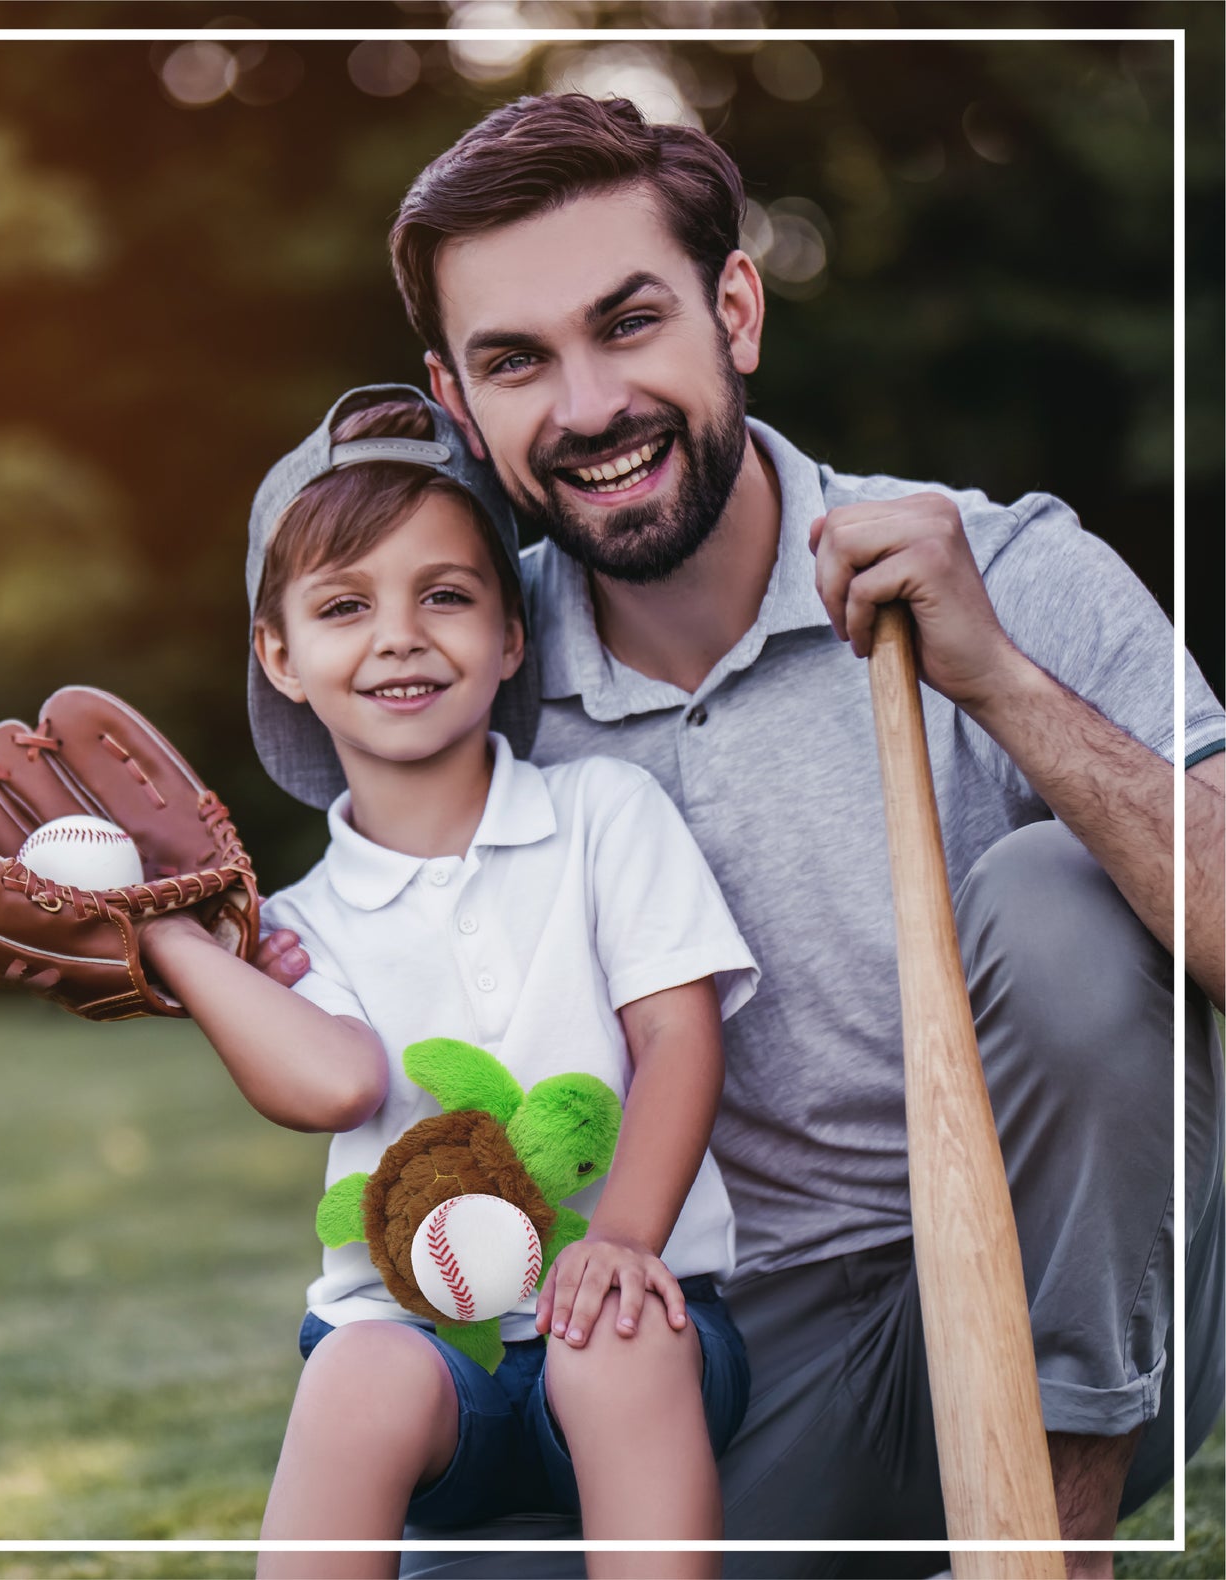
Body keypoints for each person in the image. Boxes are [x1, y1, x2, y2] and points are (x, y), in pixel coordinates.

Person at [257, 94, 1224, 1579]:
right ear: (457, 402)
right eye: (518, 362)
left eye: (627, 323)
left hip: (1068, 1300)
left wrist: (1001, 682)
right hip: (706, 1347)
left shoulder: (1005, 565)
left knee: (1057, 899)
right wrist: (155, 944)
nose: (585, 408)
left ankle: (1045, 1555)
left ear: (735, 307)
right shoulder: (464, 662)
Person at [144, 384, 758, 1580]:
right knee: (357, 1369)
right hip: (426, 1352)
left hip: (642, 1313)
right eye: (340, 605)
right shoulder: (296, 926)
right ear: (279, 653)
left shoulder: (601, 815)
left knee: (613, 1336)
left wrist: (622, 1236)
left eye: (445, 594)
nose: (398, 635)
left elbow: (679, 1040)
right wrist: (174, 940)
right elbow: (332, 1083)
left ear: (510, 632)